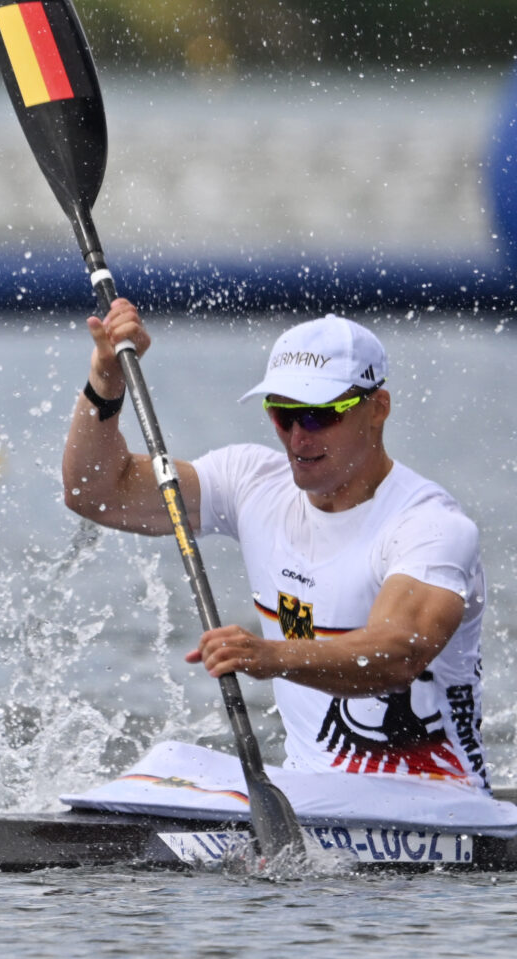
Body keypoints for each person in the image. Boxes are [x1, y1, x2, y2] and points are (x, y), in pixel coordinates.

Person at [64, 306, 490, 786]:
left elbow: (397, 655)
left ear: (378, 408)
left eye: (318, 415)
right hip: (310, 796)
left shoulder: (430, 526)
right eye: (283, 414)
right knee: (163, 766)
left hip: (435, 807)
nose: (298, 436)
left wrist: (270, 656)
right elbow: (94, 493)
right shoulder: (252, 484)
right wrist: (106, 380)